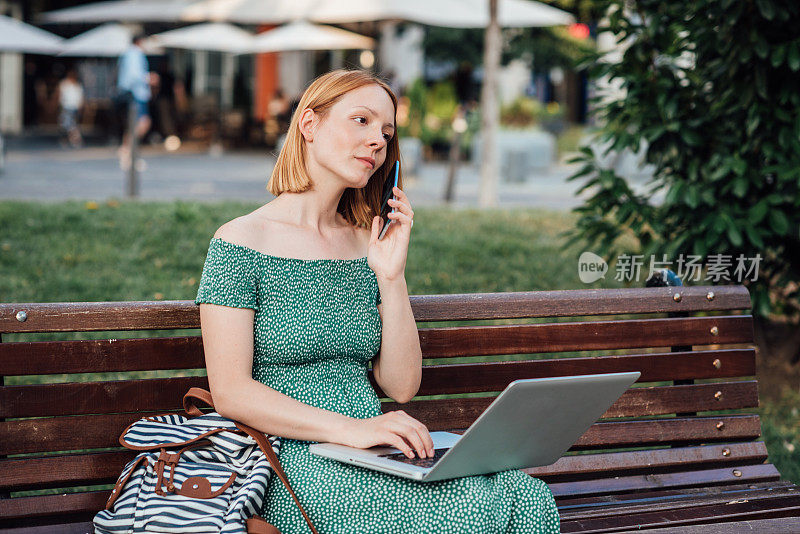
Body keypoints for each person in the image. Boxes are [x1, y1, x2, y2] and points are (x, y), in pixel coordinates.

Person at [193, 68, 560, 533]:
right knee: (466, 513)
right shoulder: (241, 241)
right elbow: (231, 391)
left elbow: (402, 387)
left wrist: (391, 276)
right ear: (309, 125)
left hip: (375, 442)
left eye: (386, 132)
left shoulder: (365, 243)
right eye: (361, 121)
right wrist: (349, 429)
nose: (377, 142)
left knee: (524, 494)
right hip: (292, 454)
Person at [116, 33, 151, 169]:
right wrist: (148, 78)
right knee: (142, 123)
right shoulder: (134, 54)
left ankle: (127, 152)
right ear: (140, 41)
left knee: (136, 123)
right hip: (136, 93)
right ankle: (127, 151)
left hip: (134, 93)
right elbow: (134, 75)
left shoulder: (127, 53)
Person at [57, 67, 84, 148]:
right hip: (66, 106)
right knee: (68, 124)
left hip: (74, 107)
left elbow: (80, 97)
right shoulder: (64, 84)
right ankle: (73, 139)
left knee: (70, 124)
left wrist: (80, 106)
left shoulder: (78, 85)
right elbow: (60, 95)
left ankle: (75, 139)